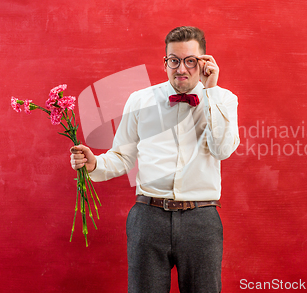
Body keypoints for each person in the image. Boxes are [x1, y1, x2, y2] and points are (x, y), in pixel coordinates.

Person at [70, 26, 240, 293]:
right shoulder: (140, 100)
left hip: (201, 220)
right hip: (148, 218)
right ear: (165, 62)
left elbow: (222, 150)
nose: (181, 69)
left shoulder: (223, 99)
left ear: (205, 62)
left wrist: (211, 91)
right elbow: (121, 157)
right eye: (174, 60)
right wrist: (94, 164)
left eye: (190, 61)